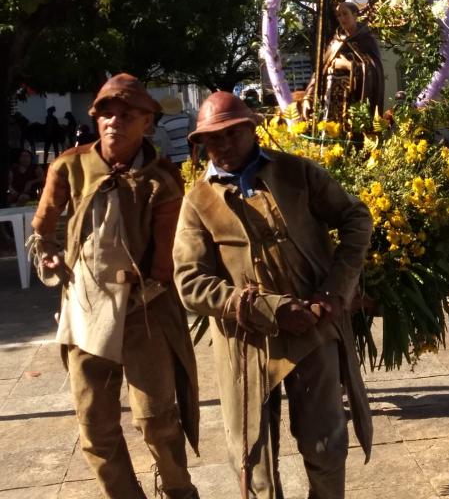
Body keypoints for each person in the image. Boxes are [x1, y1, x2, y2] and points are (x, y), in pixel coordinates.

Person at [173, 91, 373, 499]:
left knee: (326, 445)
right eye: (212, 138)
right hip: (246, 341)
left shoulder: (297, 173)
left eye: (231, 133)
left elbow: (356, 216)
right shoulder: (198, 201)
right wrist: (269, 309)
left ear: (252, 128)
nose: (223, 145)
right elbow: (190, 282)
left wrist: (336, 289)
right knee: (253, 459)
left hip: (313, 328)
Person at [28, 74, 199, 499]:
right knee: (96, 427)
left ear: (148, 123)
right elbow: (43, 229)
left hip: (146, 314)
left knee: (158, 421)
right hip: (86, 315)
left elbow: (167, 260)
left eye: (127, 115)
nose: (114, 122)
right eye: (106, 112)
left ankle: (179, 492)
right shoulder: (69, 164)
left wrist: (146, 292)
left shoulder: (162, 180)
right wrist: (49, 256)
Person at [303, 1, 385, 123]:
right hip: (331, 104)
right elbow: (320, 71)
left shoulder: (367, 40)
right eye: (338, 15)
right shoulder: (336, 42)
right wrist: (308, 97)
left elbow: (375, 71)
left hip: (355, 104)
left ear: (355, 15)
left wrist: (349, 66)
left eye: (345, 14)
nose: (342, 18)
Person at [158, 95, 191, 166]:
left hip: (174, 158)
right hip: (188, 155)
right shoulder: (187, 117)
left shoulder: (162, 122)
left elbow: (165, 143)